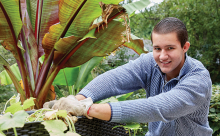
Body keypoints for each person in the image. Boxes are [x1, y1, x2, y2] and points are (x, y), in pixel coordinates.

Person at [45, 17, 213, 136]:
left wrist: (86, 108)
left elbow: (158, 107)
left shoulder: (198, 79)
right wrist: (77, 99)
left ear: (185, 47)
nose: (162, 56)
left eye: (170, 48)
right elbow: (115, 79)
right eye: (157, 48)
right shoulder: (150, 63)